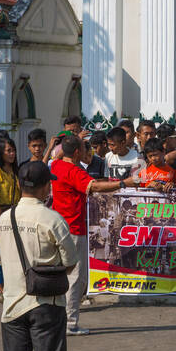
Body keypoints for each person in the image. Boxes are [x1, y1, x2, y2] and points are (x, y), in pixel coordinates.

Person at [0, 161, 80, 351]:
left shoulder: (4, 219)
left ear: (19, 185)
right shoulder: (52, 219)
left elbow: (1, 261)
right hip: (46, 304)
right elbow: (70, 262)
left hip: (12, 305)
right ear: (46, 186)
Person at [50, 135, 127, 336]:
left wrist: (70, 142)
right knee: (76, 277)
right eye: (84, 150)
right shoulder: (74, 171)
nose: (88, 154)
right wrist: (124, 183)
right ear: (76, 153)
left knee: (61, 275)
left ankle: (58, 320)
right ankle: (69, 323)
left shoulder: (56, 166)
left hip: (58, 227)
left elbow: (58, 154)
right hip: (74, 229)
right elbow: (96, 187)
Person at [0, 135, 21, 294]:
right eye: (8, 151)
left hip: (14, 211)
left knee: (11, 249)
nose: (12, 154)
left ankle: (10, 280)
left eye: (13, 150)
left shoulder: (15, 170)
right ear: (1, 152)